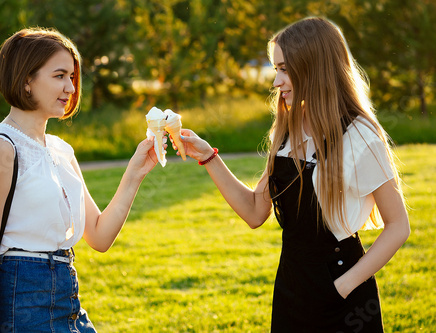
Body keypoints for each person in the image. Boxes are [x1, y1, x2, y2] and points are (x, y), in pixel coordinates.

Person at [176, 17, 410, 332]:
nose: (277, 82)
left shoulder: (360, 135)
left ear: (312, 67)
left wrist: (340, 287)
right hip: (291, 286)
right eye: (276, 70)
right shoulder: (288, 129)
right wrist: (207, 156)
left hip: (344, 294)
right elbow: (255, 211)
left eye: (284, 69)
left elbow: (398, 226)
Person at [0, 27, 161, 332]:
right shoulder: (1, 148)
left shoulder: (61, 150)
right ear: (27, 80)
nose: (71, 87)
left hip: (68, 301)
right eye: (59, 76)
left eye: (72, 76)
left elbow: (98, 235)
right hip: (20, 308)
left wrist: (136, 171)